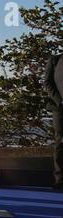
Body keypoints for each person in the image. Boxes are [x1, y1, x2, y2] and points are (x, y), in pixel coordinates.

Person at [46, 51, 63, 190]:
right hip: (60, 109)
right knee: (60, 143)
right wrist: (60, 101)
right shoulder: (55, 60)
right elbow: (48, 83)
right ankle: (60, 180)